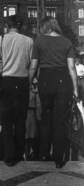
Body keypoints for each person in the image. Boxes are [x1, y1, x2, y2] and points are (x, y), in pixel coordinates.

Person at [29, 16, 78, 169]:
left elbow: (33, 66)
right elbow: (72, 68)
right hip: (63, 80)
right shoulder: (67, 42)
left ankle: (44, 154)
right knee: (60, 120)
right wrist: (76, 89)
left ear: (45, 27)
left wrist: (29, 82)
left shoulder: (39, 41)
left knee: (46, 117)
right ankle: (58, 158)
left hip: (45, 80)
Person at [0, 14, 33, 166]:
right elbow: (33, 66)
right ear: (20, 26)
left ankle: (9, 157)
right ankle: (20, 154)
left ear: (7, 25)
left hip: (4, 83)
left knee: (6, 122)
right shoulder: (29, 41)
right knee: (20, 122)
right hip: (23, 83)